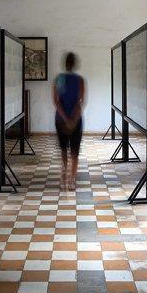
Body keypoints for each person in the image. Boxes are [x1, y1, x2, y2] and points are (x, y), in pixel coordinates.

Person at [53, 52, 85, 191]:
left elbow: (56, 102)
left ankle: (64, 176)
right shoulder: (80, 80)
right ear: (75, 64)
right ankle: (72, 180)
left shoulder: (59, 79)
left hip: (60, 119)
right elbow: (80, 102)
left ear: (65, 64)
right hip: (76, 120)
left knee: (64, 150)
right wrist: (72, 119)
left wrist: (65, 119)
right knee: (75, 152)